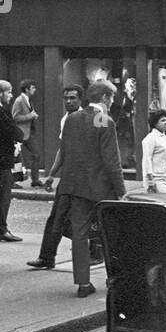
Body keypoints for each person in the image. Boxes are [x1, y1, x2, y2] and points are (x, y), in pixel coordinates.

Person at [46, 80, 127, 298]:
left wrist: (53, 175)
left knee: (80, 235)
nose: (111, 102)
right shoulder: (103, 120)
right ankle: (115, 279)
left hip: (75, 186)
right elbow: (112, 161)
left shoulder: (71, 118)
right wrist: (121, 190)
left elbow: (64, 151)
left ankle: (83, 283)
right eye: (111, 98)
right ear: (104, 98)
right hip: (101, 188)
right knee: (110, 235)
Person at [28, 85, 86, 270]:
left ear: (81, 100)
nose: (69, 101)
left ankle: (94, 252)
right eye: (66, 98)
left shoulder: (87, 118)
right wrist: (51, 174)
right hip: (68, 177)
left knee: (76, 218)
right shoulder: (65, 119)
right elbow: (63, 149)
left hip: (83, 178)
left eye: (73, 98)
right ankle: (47, 256)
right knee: (57, 217)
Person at [0, 80, 24, 243]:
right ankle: (0, 230)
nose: (11, 95)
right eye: (9, 92)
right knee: (2, 198)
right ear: (0, 93)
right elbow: (15, 132)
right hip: (0, 161)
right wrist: (18, 138)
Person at [13, 79, 42, 187]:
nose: (35, 90)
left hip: (29, 133)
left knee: (36, 155)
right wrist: (30, 116)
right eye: (33, 88)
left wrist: (33, 115)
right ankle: (14, 181)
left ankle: (35, 180)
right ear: (27, 89)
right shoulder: (19, 101)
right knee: (16, 158)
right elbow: (15, 117)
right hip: (21, 133)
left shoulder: (29, 100)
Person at [141, 109, 166, 193]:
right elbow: (147, 159)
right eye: (162, 120)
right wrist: (150, 181)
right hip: (157, 179)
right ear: (155, 123)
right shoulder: (150, 138)